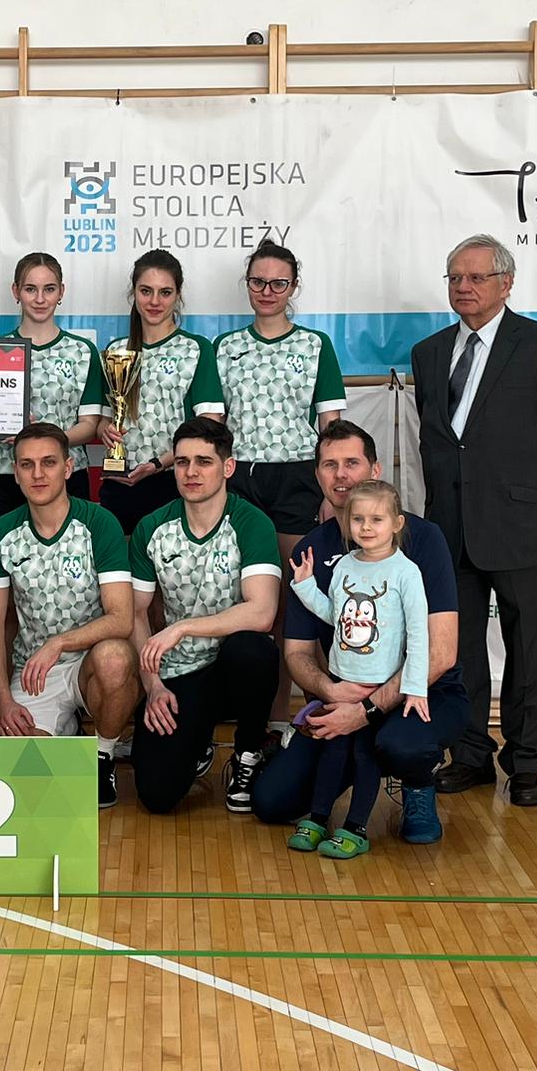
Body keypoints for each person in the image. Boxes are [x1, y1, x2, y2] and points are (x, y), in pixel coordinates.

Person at [410, 235, 537, 807]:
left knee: (529, 651)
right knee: (457, 651)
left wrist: (534, 505)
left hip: (521, 528)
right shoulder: (429, 352)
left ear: (506, 284)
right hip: (449, 529)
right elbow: (439, 443)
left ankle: (526, 763)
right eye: (455, 278)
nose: (463, 287)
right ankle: (469, 755)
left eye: (476, 277)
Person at [251, 420, 466, 844]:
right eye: (329, 465)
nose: (341, 475)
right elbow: (297, 653)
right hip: (346, 691)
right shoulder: (312, 550)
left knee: (399, 743)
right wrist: (331, 693)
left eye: (352, 463)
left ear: (375, 469)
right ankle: (322, 808)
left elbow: (440, 653)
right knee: (271, 802)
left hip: (421, 692)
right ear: (317, 475)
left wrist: (366, 710)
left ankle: (416, 781)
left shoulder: (423, 540)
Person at [213, 240, 346, 727]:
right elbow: (214, 427)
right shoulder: (226, 347)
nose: (267, 291)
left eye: (278, 283)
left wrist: (332, 493)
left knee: (294, 603)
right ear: (247, 284)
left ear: (293, 287)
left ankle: (284, 721)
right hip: (241, 479)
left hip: (297, 477)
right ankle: (246, 720)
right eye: (258, 281)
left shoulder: (315, 345)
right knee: (246, 603)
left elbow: (331, 426)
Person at [129, 417, 282, 814]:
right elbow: (136, 614)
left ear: (227, 467)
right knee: (157, 795)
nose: (191, 472)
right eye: (182, 462)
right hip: (180, 671)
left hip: (233, 668)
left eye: (204, 461)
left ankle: (248, 751)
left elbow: (262, 612)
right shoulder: (152, 527)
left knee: (253, 649)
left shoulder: (251, 523)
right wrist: (152, 685)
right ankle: (197, 740)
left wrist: (182, 627)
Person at [0, 423, 139, 807]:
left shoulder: (99, 523)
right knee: (16, 776)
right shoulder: (1, 532)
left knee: (116, 657)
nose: (38, 474)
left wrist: (59, 643)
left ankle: (102, 754)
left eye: (49, 463)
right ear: (15, 472)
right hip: (35, 673)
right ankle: (64, 733)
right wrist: (2, 700)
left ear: (68, 468)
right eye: (27, 464)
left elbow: (121, 618)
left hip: (91, 663)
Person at [285, 479, 428, 859]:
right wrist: (305, 586)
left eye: (376, 519)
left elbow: (419, 634)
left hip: (378, 689)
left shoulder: (406, 572)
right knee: (332, 751)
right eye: (358, 519)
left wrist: (415, 688)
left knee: (365, 757)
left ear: (396, 523)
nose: (366, 527)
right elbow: (336, 615)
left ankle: (356, 828)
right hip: (341, 679)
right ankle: (318, 818)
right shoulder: (346, 565)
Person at [98, 250, 224, 535]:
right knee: (121, 562)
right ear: (133, 293)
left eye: (165, 292)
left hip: (176, 482)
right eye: (146, 291)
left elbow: (210, 425)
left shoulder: (196, 349)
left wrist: (157, 464)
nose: (154, 301)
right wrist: (106, 431)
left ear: (178, 295)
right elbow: (104, 421)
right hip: (120, 483)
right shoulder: (116, 351)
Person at [0, 253, 106, 526]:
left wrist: (45, 440)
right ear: (16, 291)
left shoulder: (82, 352)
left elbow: (90, 426)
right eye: (30, 289)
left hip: (66, 475)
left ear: (61, 292)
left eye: (49, 289)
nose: (40, 299)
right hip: (4, 473)